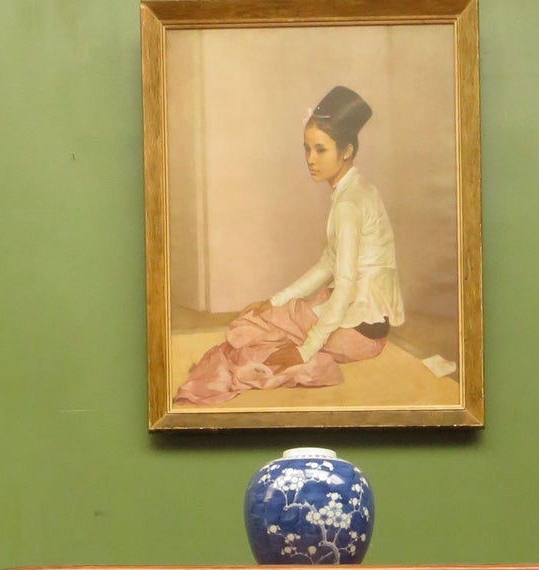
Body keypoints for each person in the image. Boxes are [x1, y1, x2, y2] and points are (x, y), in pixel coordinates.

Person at [174, 85, 406, 405]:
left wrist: (305, 349)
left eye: (320, 150)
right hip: (367, 324)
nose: (310, 159)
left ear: (347, 150)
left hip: (360, 333)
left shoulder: (348, 205)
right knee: (270, 316)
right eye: (306, 149)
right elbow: (329, 263)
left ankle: (299, 353)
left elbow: (348, 285)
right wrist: (276, 300)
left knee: (247, 330)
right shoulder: (359, 189)